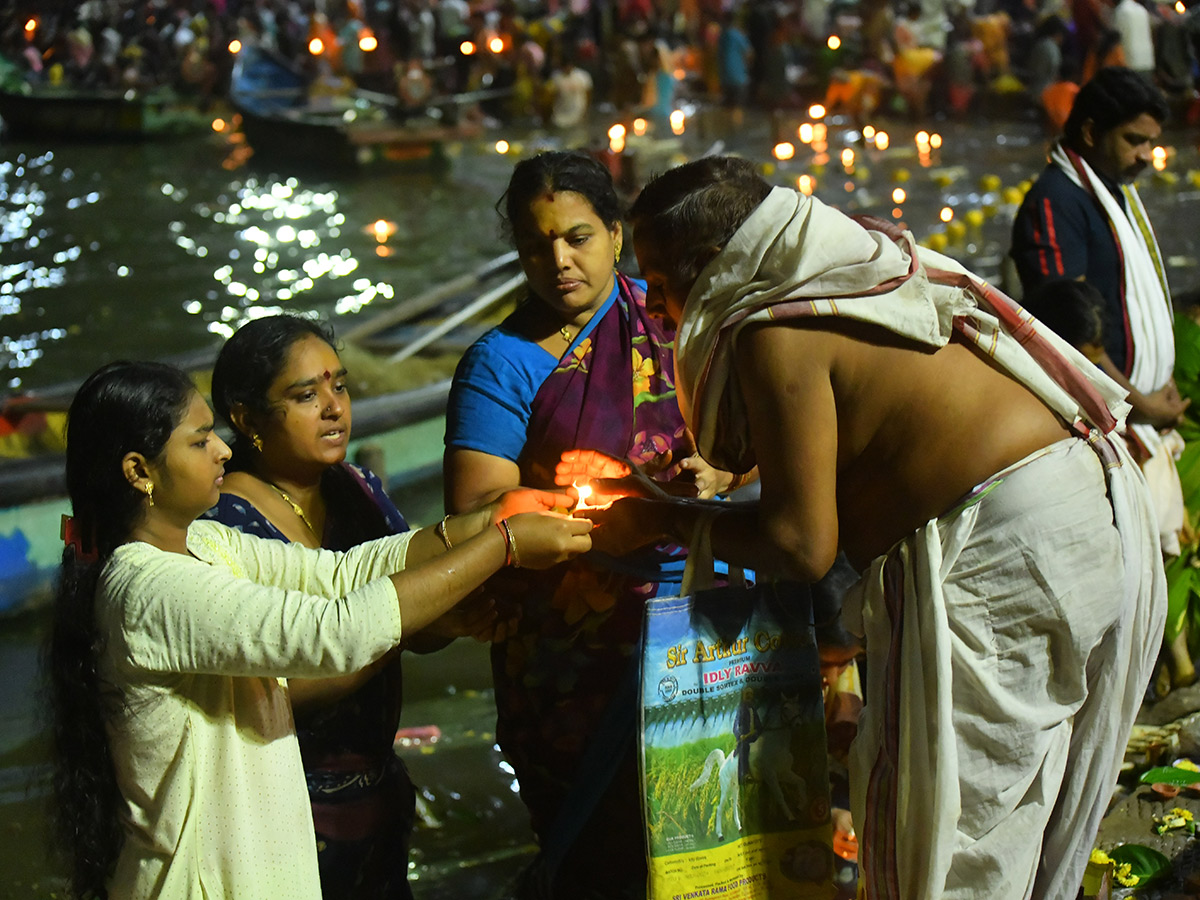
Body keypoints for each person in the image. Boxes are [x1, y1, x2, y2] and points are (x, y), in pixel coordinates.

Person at [558, 156, 1166, 899]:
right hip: (1086, 509)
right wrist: (729, 480)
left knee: (946, 846)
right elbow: (869, 426)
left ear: (718, 263)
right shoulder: (851, 267)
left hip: (1003, 544)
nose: (652, 305)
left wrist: (660, 519)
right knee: (1017, 809)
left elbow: (801, 545)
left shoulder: (771, 328)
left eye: (660, 276)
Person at [46, 361, 590, 900]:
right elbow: (338, 631)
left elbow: (341, 574)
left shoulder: (206, 545)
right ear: (140, 471)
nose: (223, 450)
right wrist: (505, 546)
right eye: (199, 440)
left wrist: (489, 519)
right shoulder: (148, 589)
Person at [443, 150, 739, 898]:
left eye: (578, 236)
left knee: (712, 840)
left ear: (616, 234)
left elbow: (764, 444)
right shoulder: (500, 364)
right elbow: (478, 516)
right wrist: (595, 500)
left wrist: (727, 474)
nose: (559, 260)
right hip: (572, 652)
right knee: (599, 859)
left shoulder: (679, 320)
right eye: (538, 243)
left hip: (706, 627)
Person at [201, 314, 465, 899]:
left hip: (377, 791)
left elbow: (420, 614)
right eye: (305, 395)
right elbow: (274, 685)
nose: (333, 407)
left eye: (339, 386)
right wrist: (397, 624)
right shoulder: (224, 526)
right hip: (285, 812)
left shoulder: (359, 490)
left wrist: (476, 603)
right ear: (246, 419)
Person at [1011, 67, 1189, 557]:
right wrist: (1136, 403)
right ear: (1090, 132)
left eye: (1150, 142)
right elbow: (1065, 325)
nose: (1145, 157)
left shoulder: (1111, 191)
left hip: (1139, 415)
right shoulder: (1057, 200)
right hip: (1106, 426)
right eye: (1134, 140)